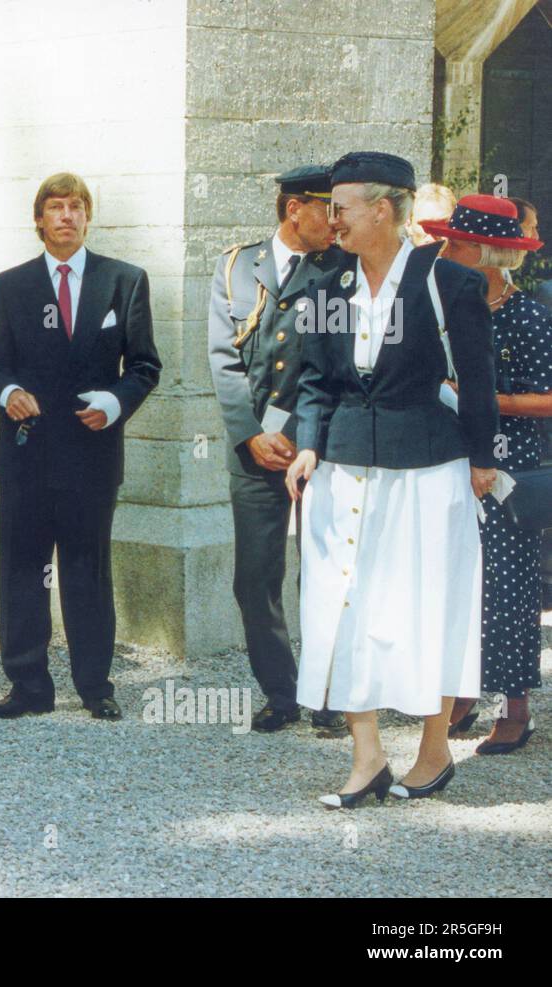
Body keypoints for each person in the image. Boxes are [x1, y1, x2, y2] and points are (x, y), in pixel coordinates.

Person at [286, 152, 499, 808]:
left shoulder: (450, 285)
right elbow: (316, 380)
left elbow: (479, 379)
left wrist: (482, 460)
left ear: (383, 209)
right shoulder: (324, 287)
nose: (332, 219)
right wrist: (307, 446)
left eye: (342, 207)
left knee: (427, 606)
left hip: (429, 470)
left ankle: (433, 751)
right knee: (342, 604)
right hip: (344, 471)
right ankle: (367, 755)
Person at [0, 172, 161, 721]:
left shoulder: (124, 280)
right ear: (39, 219)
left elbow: (146, 366)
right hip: (27, 452)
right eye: (54, 207)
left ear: (87, 217)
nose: (65, 216)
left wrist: (114, 402)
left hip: (90, 452)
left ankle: (94, 686)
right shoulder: (10, 285)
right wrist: (8, 393)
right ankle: (28, 685)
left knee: (86, 569)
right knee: (23, 571)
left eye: (75, 207)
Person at [207, 164, 346, 735]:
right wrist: (250, 433)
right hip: (256, 450)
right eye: (326, 208)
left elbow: (339, 364)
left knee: (328, 575)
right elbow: (223, 357)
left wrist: (303, 435)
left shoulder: (348, 270)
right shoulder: (238, 265)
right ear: (295, 209)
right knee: (256, 577)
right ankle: (281, 692)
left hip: (325, 446)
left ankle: (332, 698)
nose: (336, 221)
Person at [420, 195, 549, 754]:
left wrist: (484, 400)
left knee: (508, 586)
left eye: (458, 244)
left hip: (507, 465)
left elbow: (547, 400)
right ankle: (461, 691)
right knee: (453, 579)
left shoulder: (528, 315)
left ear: (489, 253)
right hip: (448, 457)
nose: (446, 251)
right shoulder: (440, 306)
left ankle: (515, 706)